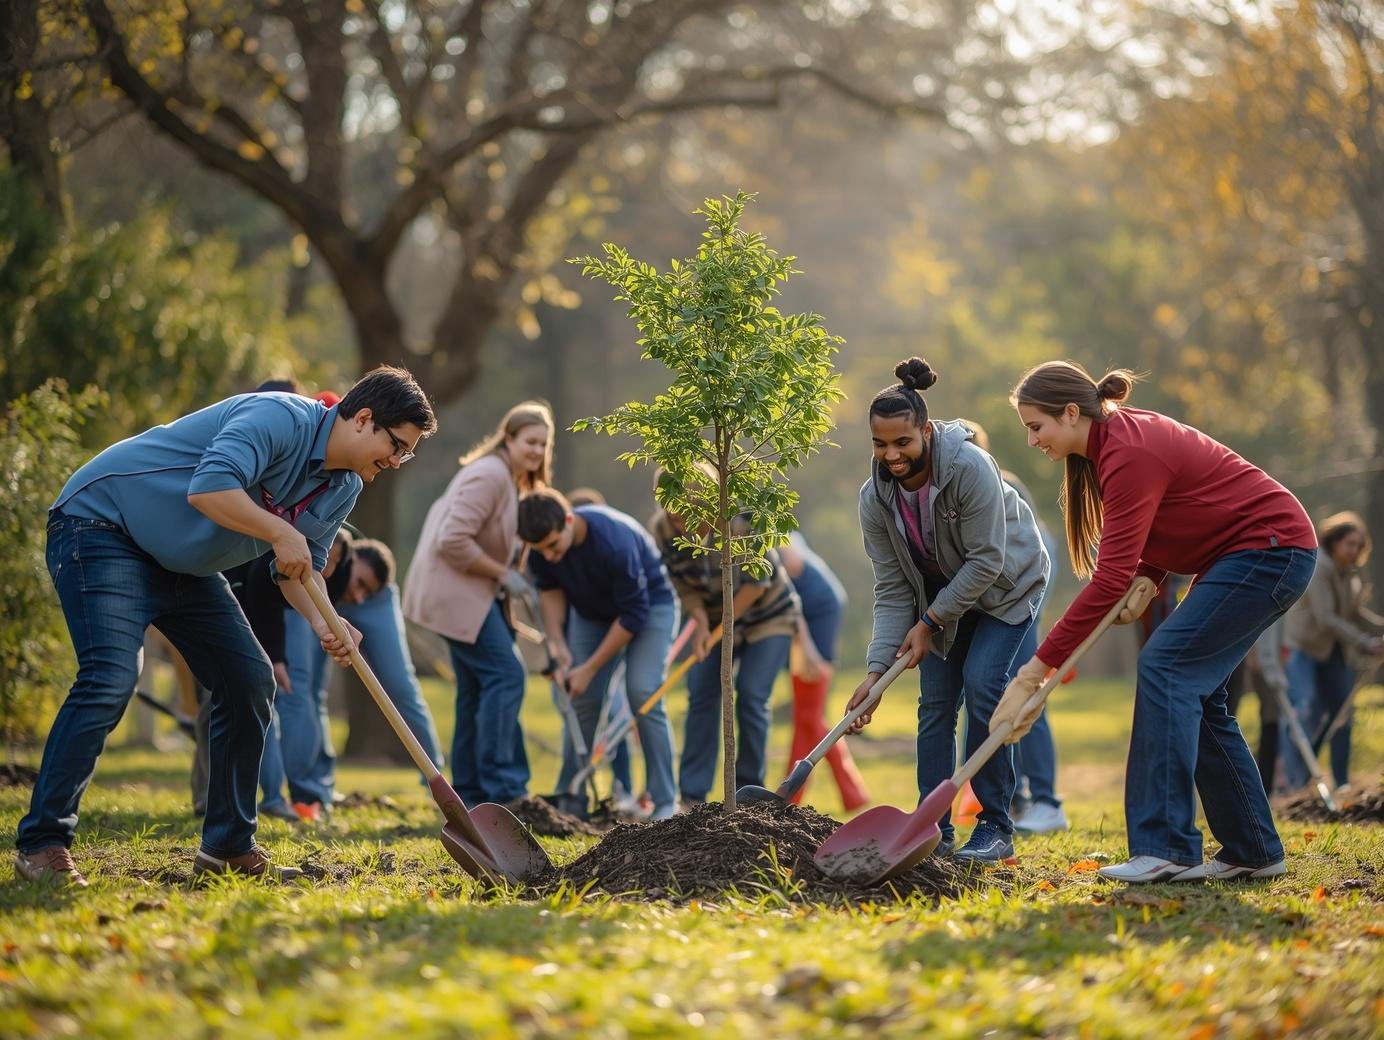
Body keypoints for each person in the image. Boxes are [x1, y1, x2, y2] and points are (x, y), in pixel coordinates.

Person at [15, 366, 435, 886]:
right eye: (396, 445)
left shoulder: (343, 486)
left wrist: (330, 623)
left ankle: (227, 849)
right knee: (111, 676)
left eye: (406, 453)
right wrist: (281, 532)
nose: (396, 462)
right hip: (102, 527)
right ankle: (42, 843)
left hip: (181, 566)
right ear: (364, 418)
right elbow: (209, 489)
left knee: (249, 680)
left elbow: (297, 571)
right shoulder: (278, 418)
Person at [996, 360, 1316, 883]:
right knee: (1196, 690)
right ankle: (1254, 850)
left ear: (1072, 413)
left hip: (1269, 549)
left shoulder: (1128, 450)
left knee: (1165, 668)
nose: (1033, 441)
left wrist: (1035, 671)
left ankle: (1166, 847)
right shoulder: (1111, 445)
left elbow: (1106, 580)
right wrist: (1147, 573)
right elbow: (1169, 518)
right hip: (1247, 555)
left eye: (1036, 427)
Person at [845, 359, 1048, 863]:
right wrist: (876, 672)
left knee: (983, 688)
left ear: (926, 432)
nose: (891, 455)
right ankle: (930, 830)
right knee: (935, 705)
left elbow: (986, 561)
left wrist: (929, 623)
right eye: (879, 443)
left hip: (1004, 590)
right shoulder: (875, 498)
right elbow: (892, 586)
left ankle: (996, 826)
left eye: (902, 442)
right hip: (941, 603)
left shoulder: (970, 468)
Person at [403, 401, 555, 807]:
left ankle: (469, 791)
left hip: (468, 598)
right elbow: (452, 540)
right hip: (454, 595)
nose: (537, 451)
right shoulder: (489, 474)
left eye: (544, 444)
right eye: (530, 441)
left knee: (474, 687)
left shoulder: (508, 478)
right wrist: (502, 574)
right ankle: (502, 788)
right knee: (506, 675)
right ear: (508, 438)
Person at [518, 489, 681, 821]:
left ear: (568, 520)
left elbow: (633, 615)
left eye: (552, 546)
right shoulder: (540, 550)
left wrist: (589, 668)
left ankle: (664, 800)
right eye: (540, 550)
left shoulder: (613, 543)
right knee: (581, 699)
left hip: (649, 610)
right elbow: (549, 591)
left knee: (642, 692)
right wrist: (558, 646)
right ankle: (571, 797)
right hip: (592, 615)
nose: (548, 556)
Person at [649, 467, 801, 807]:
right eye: (673, 518)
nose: (681, 527)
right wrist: (702, 624)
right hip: (715, 618)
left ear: (705, 503)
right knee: (702, 693)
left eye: (687, 516)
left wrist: (722, 629)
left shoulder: (742, 521)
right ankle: (692, 795)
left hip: (768, 616)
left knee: (750, 695)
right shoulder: (661, 530)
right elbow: (684, 584)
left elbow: (757, 585)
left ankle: (747, 794)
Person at [961, 419, 1068, 834]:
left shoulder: (1001, 483)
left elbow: (1039, 552)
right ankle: (1014, 797)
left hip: (1022, 599)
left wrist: (1030, 614)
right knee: (983, 694)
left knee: (1025, 693)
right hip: (989, 603)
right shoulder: (953, 492)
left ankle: (1047, 801)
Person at [1281, 512, 1384, 793]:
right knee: (1306, 708)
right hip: (1304, 648)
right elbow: (1326, 617)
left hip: (1332, 650)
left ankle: (1341, 782)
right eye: (1350, 544)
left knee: (1342, 713)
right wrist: (1365, 642)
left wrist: (1379, 630)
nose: (1355, 551)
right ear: (1334, 542)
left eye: (1359, 546)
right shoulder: (1320, 567)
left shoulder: (1348, 574)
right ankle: (1294, 781)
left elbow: (1354, 613)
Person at [779, 531, 870, 811]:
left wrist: (811, 652)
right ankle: (793, 794)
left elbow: (791, 573)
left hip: (814, 639)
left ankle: (849, 790)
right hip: (812, 636)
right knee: (806, 721)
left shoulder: (780, 543)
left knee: (810, 718)